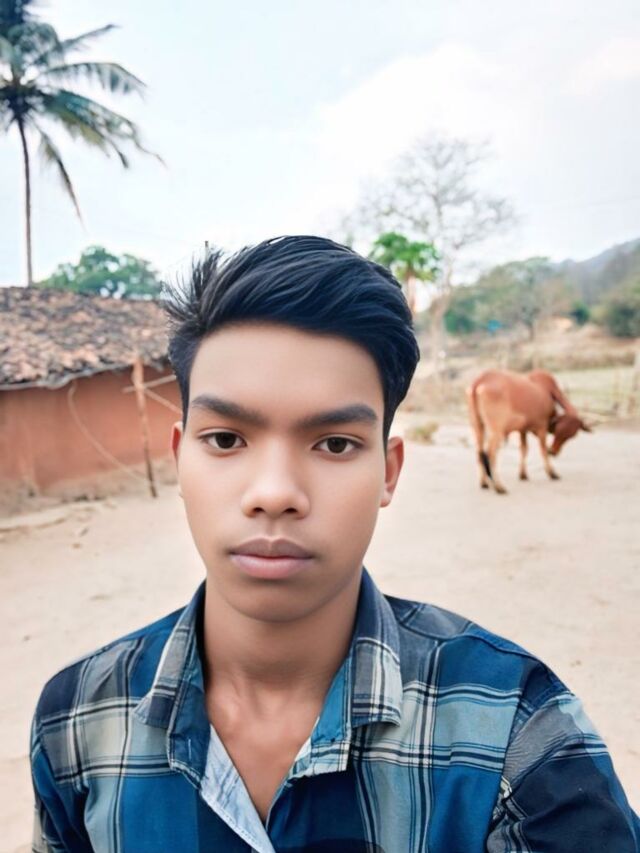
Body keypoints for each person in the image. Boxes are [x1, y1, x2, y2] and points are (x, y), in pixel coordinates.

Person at [30, 236, 639, 852]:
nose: (274, 493)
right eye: (225, 440)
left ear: (389, 472)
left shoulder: (515, 728)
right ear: (178, 458)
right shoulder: (74, 721)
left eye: (335, 444)